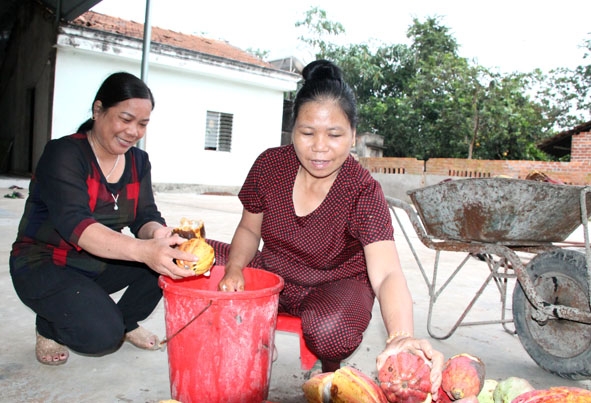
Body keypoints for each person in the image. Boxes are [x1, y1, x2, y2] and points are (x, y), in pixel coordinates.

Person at [209, 59, 444, 397]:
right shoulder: (270, 165)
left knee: (330, 330)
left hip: (335, 285)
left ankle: (330, 371)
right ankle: (253, 335)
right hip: (275, 275)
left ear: (353, 136)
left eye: (334, 134)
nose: (320, 147)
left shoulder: (362, 190)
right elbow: (248, 230)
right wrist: (234, 268)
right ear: (293, 132)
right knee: (194, 257)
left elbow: (387, 273)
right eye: (307, 133)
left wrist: (402, 336)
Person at [9, 72, 197, 366]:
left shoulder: (138, 161)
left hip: (97, 261)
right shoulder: (64, 154)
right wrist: (144, 251)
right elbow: (76, 225)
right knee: (101, 339)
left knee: (168, 261)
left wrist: (159, 235)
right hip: (45, 263)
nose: (134, 131)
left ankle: (124, 321)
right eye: (126, 119)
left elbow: (144, 217)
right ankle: (49, 324)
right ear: (98, 111)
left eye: (143, 124)